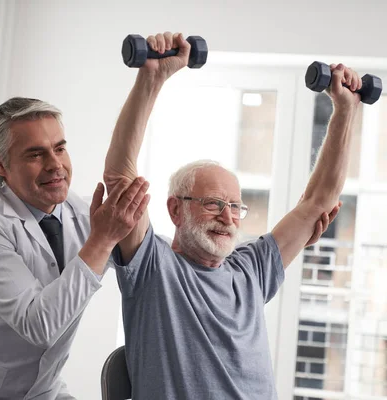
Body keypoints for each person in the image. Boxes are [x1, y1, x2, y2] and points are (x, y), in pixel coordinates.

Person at [104, 32, 355, 399]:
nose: (227, 217)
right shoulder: (152, 267)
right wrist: (151, 78)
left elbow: (318, 201)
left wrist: (345, 109)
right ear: (175, 209)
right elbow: (119, 177)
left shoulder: (251, 269)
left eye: (235, 206)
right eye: (212, 204)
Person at [0, 97, 150, 399]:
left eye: (60, 148)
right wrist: (102, 240)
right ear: (0, 164)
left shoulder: (79, 213)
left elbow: (155, 259)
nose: (55, 165)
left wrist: (149, 81)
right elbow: (39, 324)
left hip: (43, 392)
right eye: (35, 154)